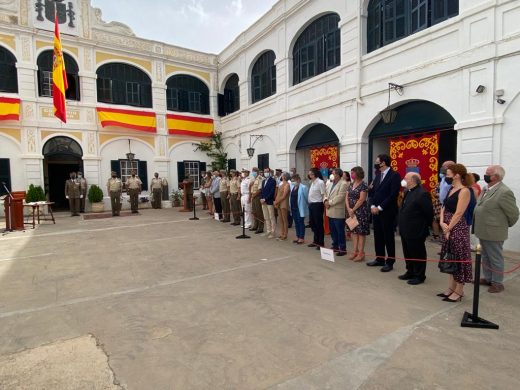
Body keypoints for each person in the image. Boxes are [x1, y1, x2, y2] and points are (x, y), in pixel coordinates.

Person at [473, 165, 519, 293]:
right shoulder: (485, 188)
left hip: (494, 232)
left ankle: (497, 283)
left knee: (495, 257)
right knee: (485, 256)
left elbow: (513, 213)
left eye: (488, 173)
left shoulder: (504, 192)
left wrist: (503, 225)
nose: (485, 175)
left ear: (497, 177)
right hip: (482, 230)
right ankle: (488, 278)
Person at [438, 163, 474, 302]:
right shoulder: (451, 188)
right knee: (450, 258)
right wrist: (442, 222)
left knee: (458, 258)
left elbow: (459, 213)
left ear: (457, 175)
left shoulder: (465, 191)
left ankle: (459, 290)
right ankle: (451, 288)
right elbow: (443, 206)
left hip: (457, 228)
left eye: (448, 174)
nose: (446, 176)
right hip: (447, 225)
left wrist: (448, 228)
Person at [367, 154, 401, 272]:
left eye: (377, 162)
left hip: (387, 211)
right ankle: (379, 258)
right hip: (375, 211)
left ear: (383, 163)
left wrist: (380, 207)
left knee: (388, 237)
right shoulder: (377, 175)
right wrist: (372, 205)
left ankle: (390, 262)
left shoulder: (394, 175)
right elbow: (371, 192)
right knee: (378, 235)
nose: (375, 164)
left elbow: (393, 195)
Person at [398, 173, 434, 285]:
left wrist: (424, 227)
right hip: (405, 228)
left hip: (416, 229)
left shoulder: (422, 194)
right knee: (407, 251)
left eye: (405, 178)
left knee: (417, 253)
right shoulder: (407, 192)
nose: (403, 180)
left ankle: (419, 275)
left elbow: (429, 213)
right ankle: (410, 271)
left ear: (413, 180)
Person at [346, 166, 370, 262]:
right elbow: (346, 197)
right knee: (353, 232)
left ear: (358, 173)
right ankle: (354, 251)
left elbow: (361, 199)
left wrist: (353, 209)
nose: (351, 175)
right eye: (351, 173)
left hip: (361, 212)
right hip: (351, 212)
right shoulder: (351, 184)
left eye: (353, 173)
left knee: (360, 233)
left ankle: (361, 253)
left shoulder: (363, 185)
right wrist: (348, 209)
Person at [324, 168, 348, 256]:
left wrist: (329, 203)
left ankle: (342, 248)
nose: (332, 175)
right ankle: (335, 245)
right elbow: (325, 193)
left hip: (337, 211)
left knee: (340, 230)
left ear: (338, 175)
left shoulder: (343, 183)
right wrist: (325, 201)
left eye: (333, 173)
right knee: (333, 230)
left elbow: (340, 196)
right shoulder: (330, 183)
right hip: (329, 210)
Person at [307, 167, 326, 250]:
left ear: (315, 174)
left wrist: (324, 205)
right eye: (309, 174)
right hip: (311, 204)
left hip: (318, 205)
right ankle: (315, 241)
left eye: (311, 174)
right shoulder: (312, 182)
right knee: (313, 223)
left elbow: (323, 194)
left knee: (319, 224)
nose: (309, 175)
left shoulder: (320, 182)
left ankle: (320, 242)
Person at [289, 174, 309, 244]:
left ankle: (301, 237)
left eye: (293, 181)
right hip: (293, 207)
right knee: (296, 223)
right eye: (292, 181)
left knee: (300, 223)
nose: (292, 182)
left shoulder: (304, 187)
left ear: (298, 180)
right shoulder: (292, 187)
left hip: (300, 208)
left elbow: (307, 198)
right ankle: (297, 236)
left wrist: (306, 207)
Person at [261, 167, 277, 239]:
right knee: (266, 217)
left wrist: (265, 199)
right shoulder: (263, 181)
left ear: (270, 172)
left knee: (271, 217)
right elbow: (262, 191)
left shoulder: (273, 181)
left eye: (267, 171)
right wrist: (261, 198)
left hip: (269, 201)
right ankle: (268, 231)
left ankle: (273, 232)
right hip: (263, 201)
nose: (266, 173)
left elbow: (272, 192)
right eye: (265, 171)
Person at [274, 172, 290, 240]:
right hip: (279, 202)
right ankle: (282, 232)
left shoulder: (287, 184)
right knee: (280, 219)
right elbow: (278, 194)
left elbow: (284, 196)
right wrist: (276, 202)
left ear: (284, 176)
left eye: (282, 175)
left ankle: (285, 234)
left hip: (283, 202)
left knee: (284, 219)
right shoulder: (281, 183)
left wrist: (277, 201)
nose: (281, 176)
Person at [250, 167, 264, 234]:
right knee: (254, 212)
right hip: (253, 196)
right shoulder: (253, 179)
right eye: (253, 171)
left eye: (254, 171)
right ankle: (255, 225)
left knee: (259, 212)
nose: (253, 172)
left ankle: (260, 227)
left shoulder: (260, 178)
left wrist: (254, 195)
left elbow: (260, 189)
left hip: (257, 196)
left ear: (257, 172)